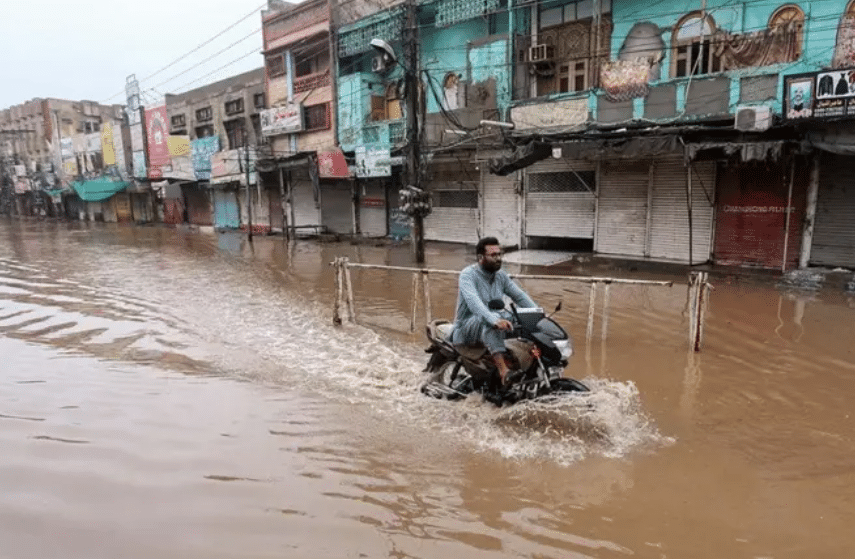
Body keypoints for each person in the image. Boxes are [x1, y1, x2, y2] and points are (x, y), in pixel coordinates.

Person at [451, 237, 537, 384]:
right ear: (480, 257)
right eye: (493, 255)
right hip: (466, 327)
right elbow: (474, 303)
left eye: (499, 254)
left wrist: (538, 314)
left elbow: (520, 296)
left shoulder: (501, 276)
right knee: (493, 318)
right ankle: (504, 371)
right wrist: (494, 320)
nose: (498, 259)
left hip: (491, 321)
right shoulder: (467, 275)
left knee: (519, 316)